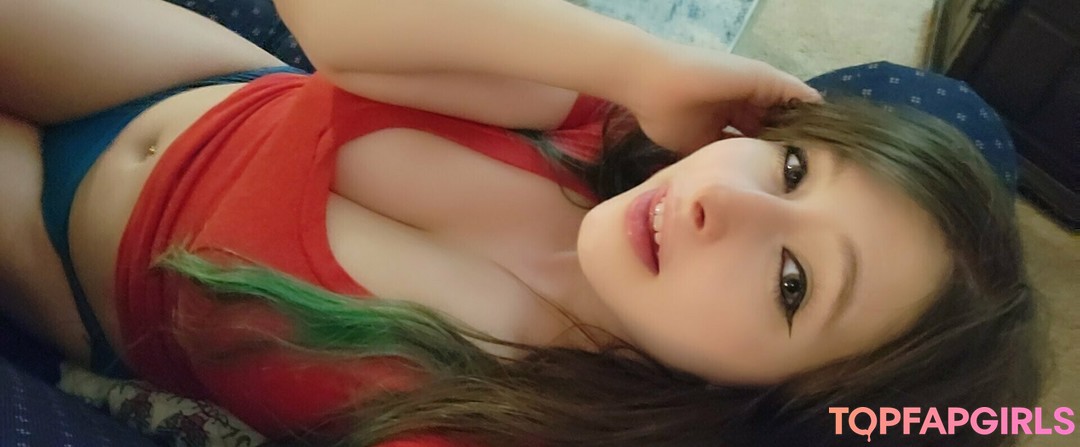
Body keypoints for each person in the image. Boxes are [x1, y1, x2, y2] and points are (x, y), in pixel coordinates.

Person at [0, 1, 1041, 446]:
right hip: (195, 81)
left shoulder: (507, 422)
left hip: (58, 248)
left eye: (792, 282)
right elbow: (335, 20)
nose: (727, 198)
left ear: (772, 402)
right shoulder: (598, 140)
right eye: (795, 168)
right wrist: (641, 64)